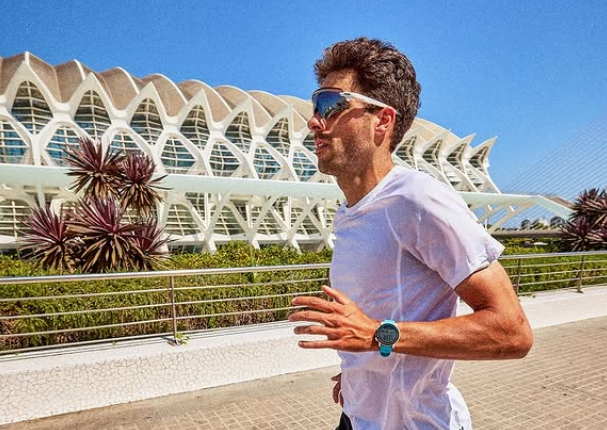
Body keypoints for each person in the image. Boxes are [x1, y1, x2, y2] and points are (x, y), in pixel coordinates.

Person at [288, 37, 534, 430]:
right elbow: (388, 321)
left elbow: (511, 330)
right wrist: (362, 371)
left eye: (331, 105)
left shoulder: (418, 200)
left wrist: (374, 336)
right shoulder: (351, 211)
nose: (314, 121)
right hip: (357, 417)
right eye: (316, 105)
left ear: (382, 121)